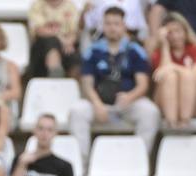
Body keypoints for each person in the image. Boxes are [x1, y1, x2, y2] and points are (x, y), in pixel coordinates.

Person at [69, 7, 160, 165]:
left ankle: (139, 162)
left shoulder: (135, 51)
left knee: (150, 112)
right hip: (99, 103)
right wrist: (97, 104)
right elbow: (87, 83)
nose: (112, 28)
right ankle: (82, 164)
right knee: (77, 111)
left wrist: (130, 97)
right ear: (103, 26)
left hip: (127, 103)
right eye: (108, 23)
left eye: (116, 24)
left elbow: (143, 84)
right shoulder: (93, 51)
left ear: (124, 26)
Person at [152, 13, 196, 129]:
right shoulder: (158, 53)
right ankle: (171, 123)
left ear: (185, 31)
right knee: (170, 77)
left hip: (193, 102)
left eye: (178, 31)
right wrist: (165, 46)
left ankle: (185, 122)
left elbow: (195, 74)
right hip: (165, 102)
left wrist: (173, 66)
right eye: (170, 33)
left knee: (187, 76)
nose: (175, 36)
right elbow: (163, 75)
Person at [28, 0, 81, 78]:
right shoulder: (37, 5)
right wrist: (61, 39)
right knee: (51, 42)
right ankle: (55, 75)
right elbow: (39, 30)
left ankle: (72, 83)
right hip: (42, 47)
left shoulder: (70, 6)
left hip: (67, 46)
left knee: (73, 57)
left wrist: (69, 42)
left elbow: (74, 32)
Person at [84, 0, 149, 40]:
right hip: (103, 37)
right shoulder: (102, 1)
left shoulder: (134, 2)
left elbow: (141, 26)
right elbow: (89, 23)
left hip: (130, 37)